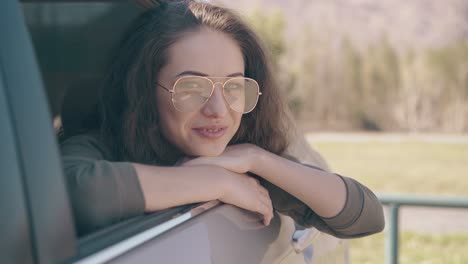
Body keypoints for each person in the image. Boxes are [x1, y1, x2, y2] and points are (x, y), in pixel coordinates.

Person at [60, 0, 384, 237]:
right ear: (144, 91)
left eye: (233, 87)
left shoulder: (238, 157)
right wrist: (215, 182)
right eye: (191, 87)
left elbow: (367, 217)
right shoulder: (98, 144)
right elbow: (79, 196)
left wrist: (255, 157)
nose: (217, 109)